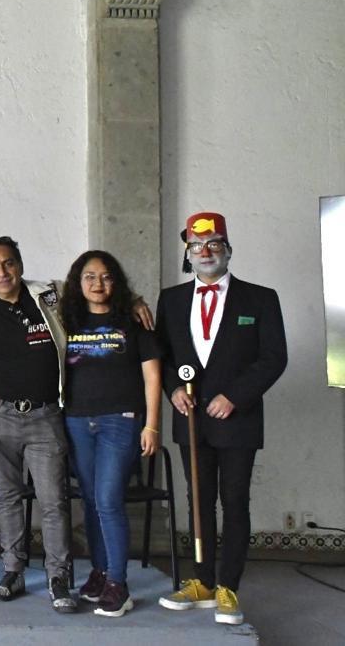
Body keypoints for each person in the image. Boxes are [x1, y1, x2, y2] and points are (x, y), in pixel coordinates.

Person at [156, 212, 286, 626]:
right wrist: (174, 388)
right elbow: (165, 356)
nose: (206, 252)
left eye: (214, 245)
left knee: (234, 502)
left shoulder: (261, 298)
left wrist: (235, 396)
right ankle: (202, 583)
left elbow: (273, 358)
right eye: (197, 246)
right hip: (191, 420)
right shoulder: (171, 299)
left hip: (238, 419)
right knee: (199, 503)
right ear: (188, 254)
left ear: (227, 251)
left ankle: (229, 587)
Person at [0, 235, 75, 612]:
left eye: (8, 263)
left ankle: (59, 578)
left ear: (20, 265)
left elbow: (101, 291)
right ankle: (13, 571)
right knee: (7, 497)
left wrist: (134, 301)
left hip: (45, 415)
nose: (1, 272)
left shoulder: (51, 295)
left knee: (53, 500)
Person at [60, 250, 162, 618]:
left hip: (120, 420)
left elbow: (153, 375)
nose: (97, 284)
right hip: (76, 421)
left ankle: (119, 584)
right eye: (90, 276)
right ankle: (100, 573)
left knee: (108, 500)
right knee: (89, 499)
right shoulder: (66, 318)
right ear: (78, 282)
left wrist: (151, 424)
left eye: (105, 277)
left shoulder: (134, 321)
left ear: (115, 282)